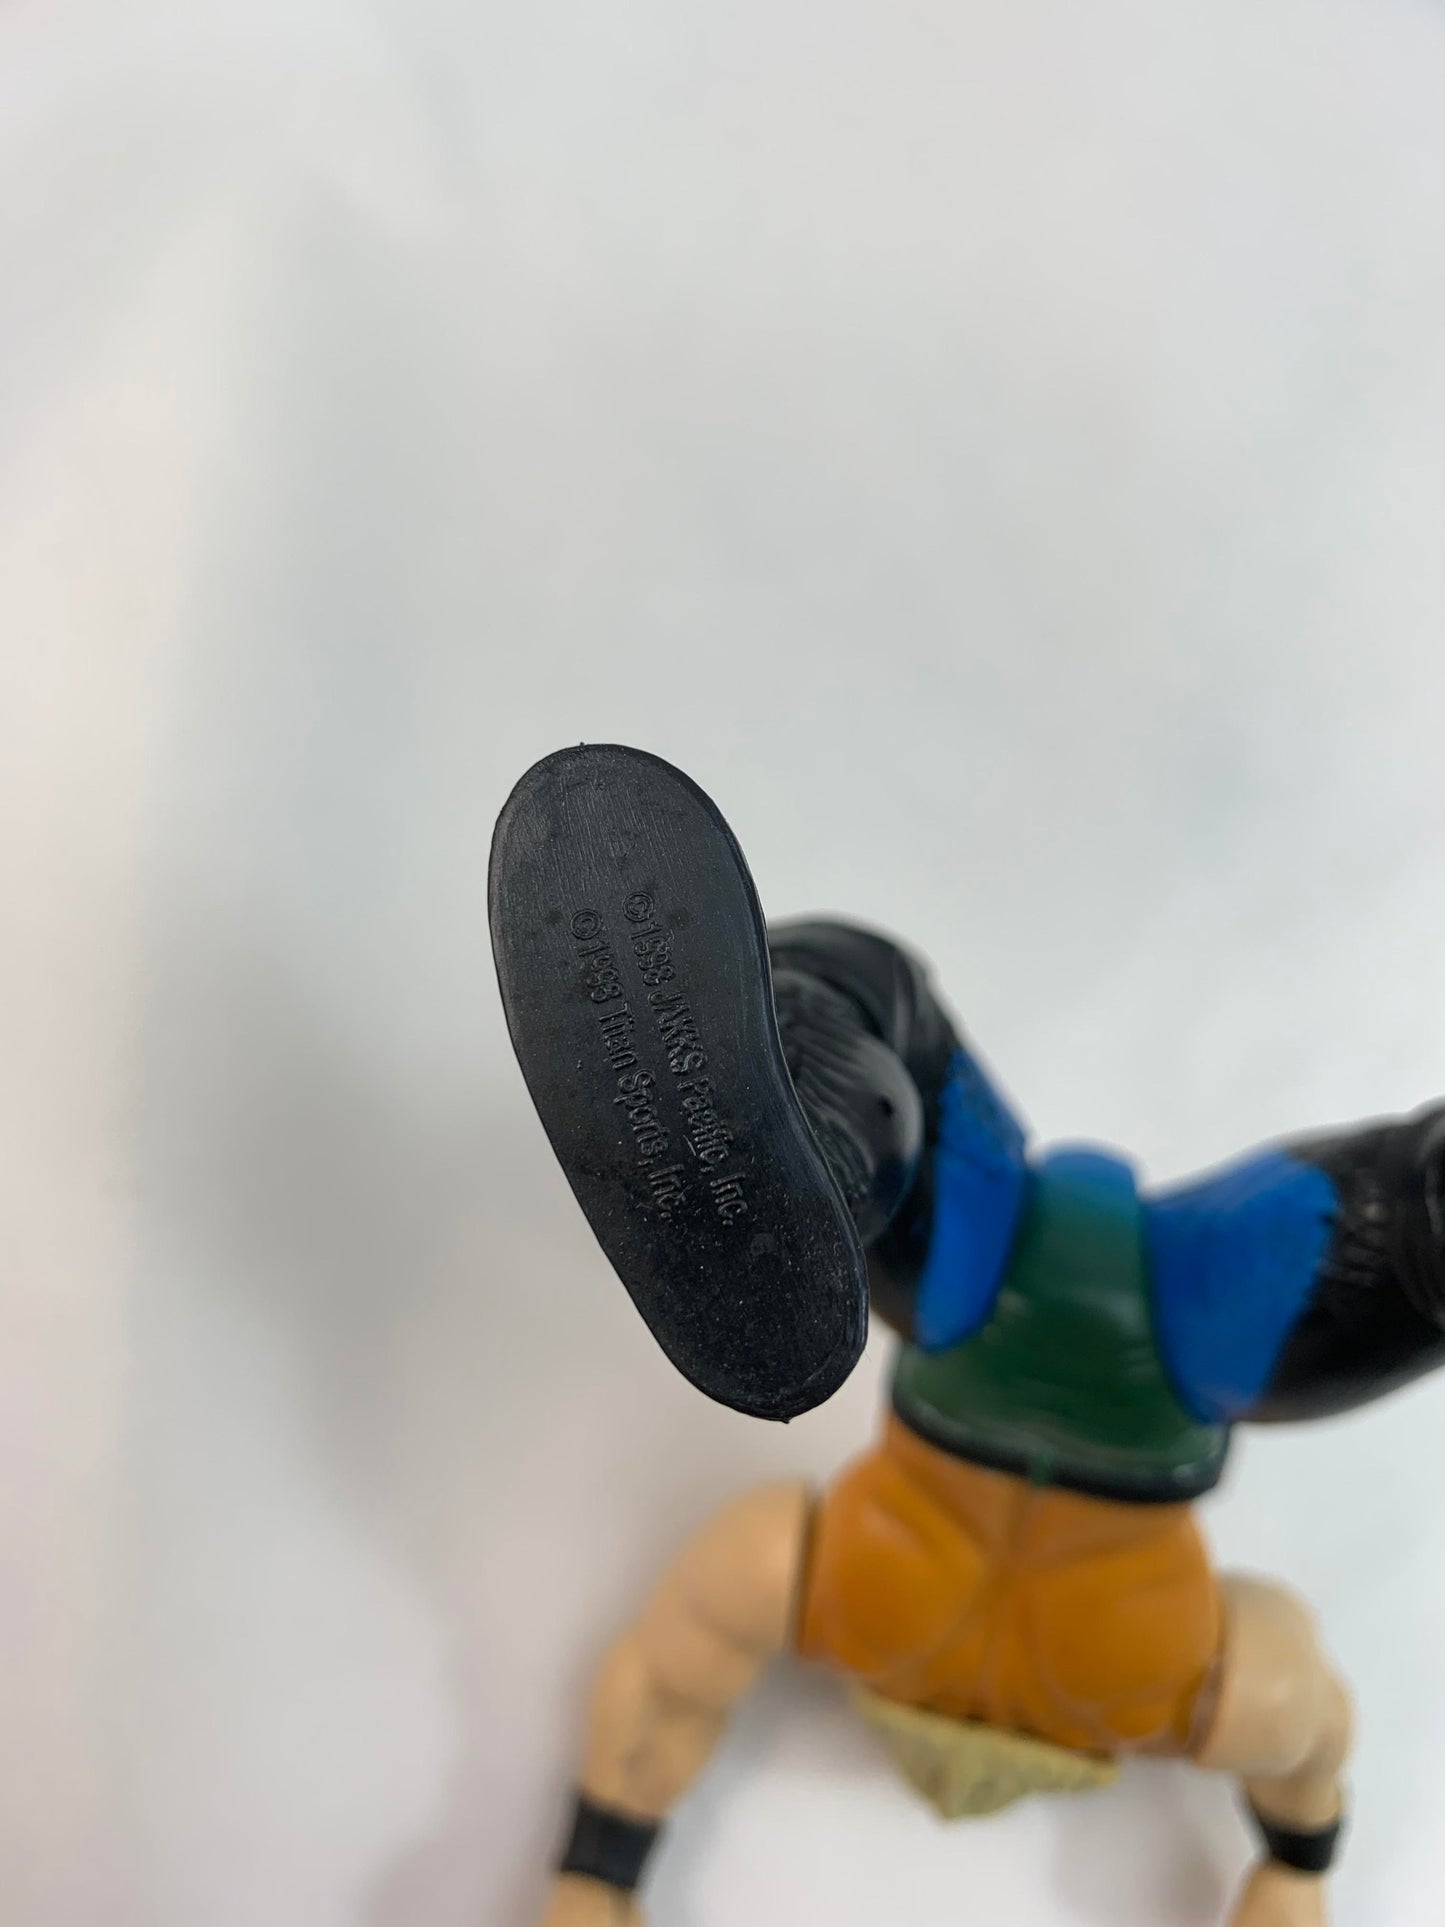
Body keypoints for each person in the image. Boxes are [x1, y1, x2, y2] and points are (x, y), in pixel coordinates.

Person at [490, 744, 1445, 1927]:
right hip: (1177, 1358)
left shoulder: (809, 1580)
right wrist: (1296, 1869)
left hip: (977, 1299)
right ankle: (803, 1143)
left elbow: (663, 1682)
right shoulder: (1198, 1683)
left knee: (858, 995)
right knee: (1417, 1220)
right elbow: (1308, 1744)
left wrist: (594, 1877)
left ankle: (806, 1145)